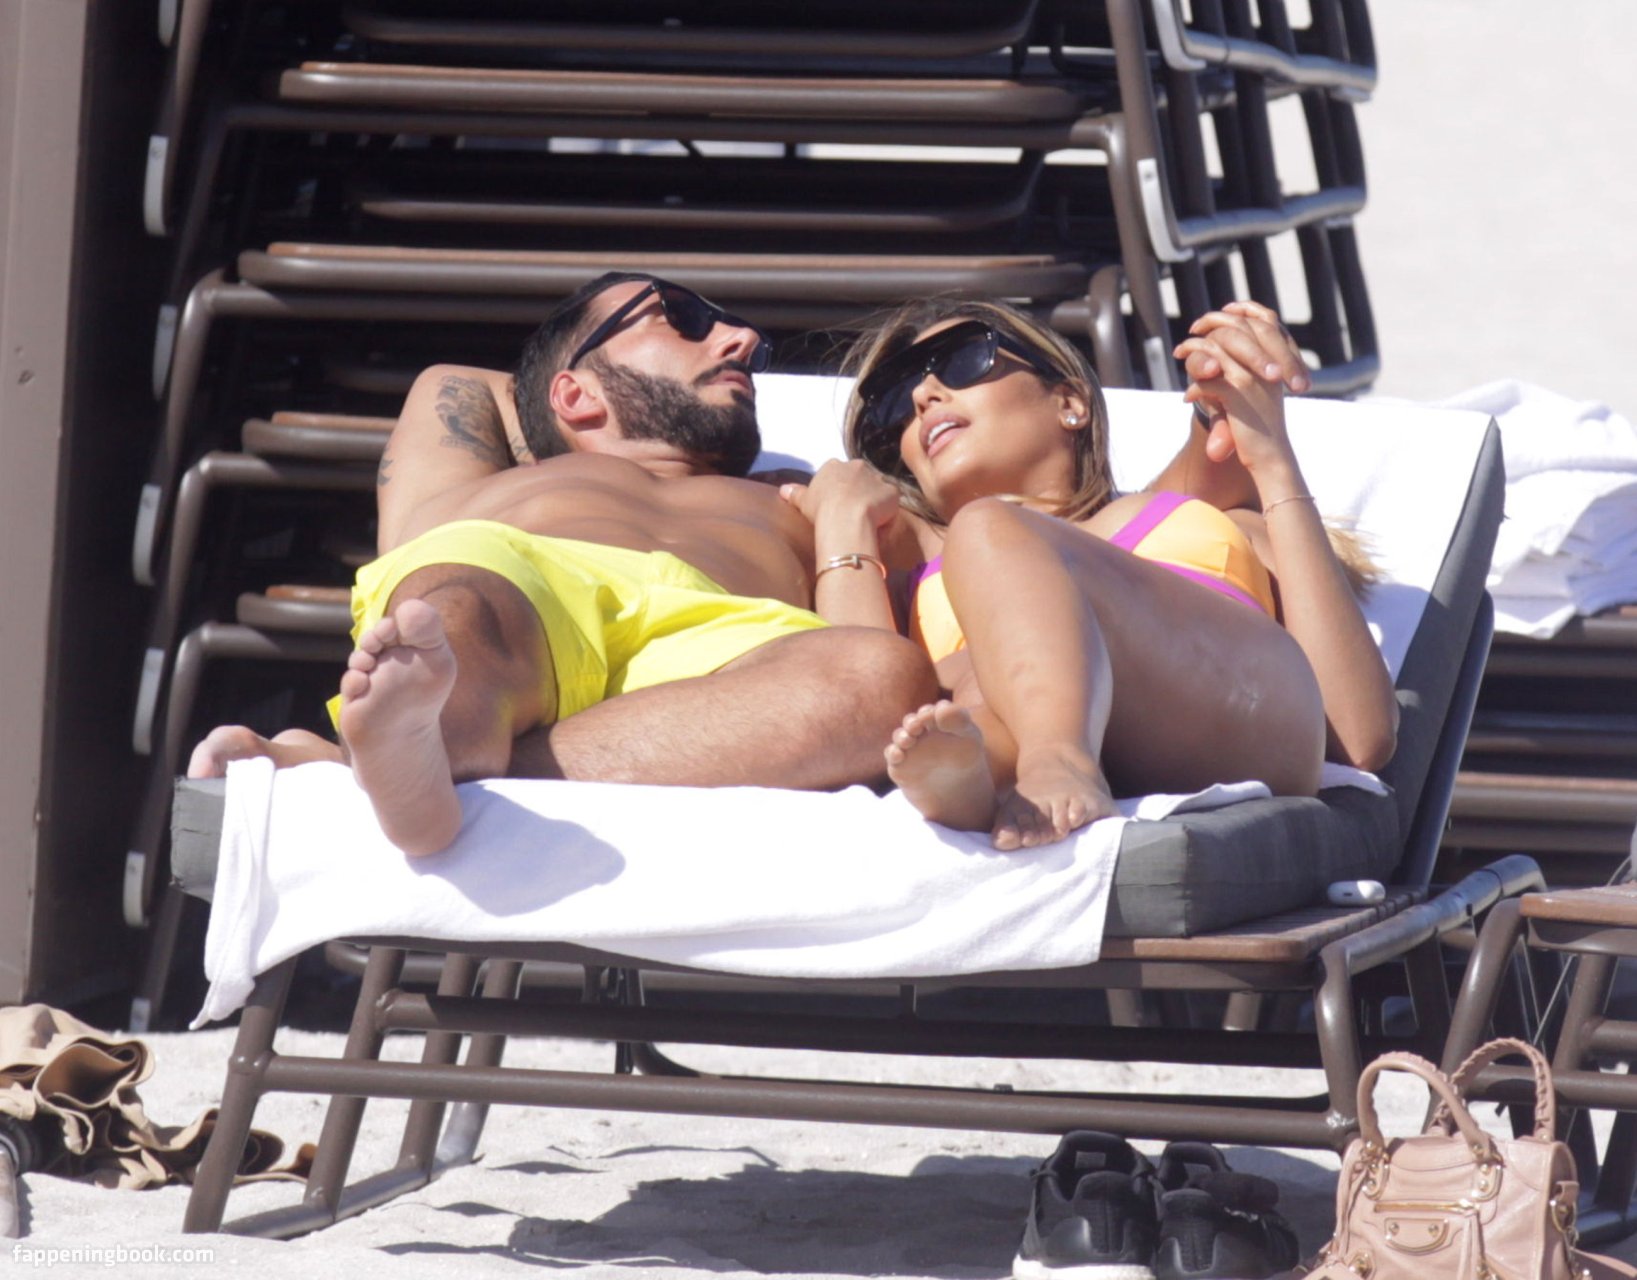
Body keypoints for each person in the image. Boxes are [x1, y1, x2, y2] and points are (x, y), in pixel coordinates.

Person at [189, 272, 941, 855]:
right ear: (573, 395)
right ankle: (429, 746)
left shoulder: (808, 497)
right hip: (521, 581)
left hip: (728, 643)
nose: (742, 340)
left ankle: (411, 770)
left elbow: (940, 577)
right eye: (680, 318)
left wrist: (842, 520)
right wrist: (574, 408)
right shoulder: (485, 485)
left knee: (882, 676)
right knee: (448, 615)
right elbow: (459, 383)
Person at [778, 298, 1398, 851]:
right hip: (1019, 744)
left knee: (989, 530)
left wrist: (1272, 459)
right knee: (959, 687)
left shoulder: (1200, 519)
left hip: (1239, 716)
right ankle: (980, 771)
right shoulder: (913, 581)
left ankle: (1057, 756)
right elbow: (859, 706)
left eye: (963, 359)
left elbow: (1359, 736)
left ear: (1070, 403)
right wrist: (844, 523)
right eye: (895, 402)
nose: (923, 397)